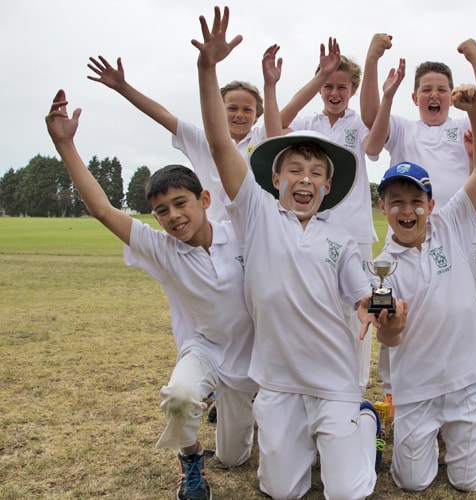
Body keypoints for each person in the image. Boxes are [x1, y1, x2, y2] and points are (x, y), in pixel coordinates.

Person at [192, 7, 407, 499]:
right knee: (281, 492)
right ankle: (312, 444)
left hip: (334, 383)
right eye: (294, 168)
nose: (305, 178)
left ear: (329, 186)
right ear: (274, 179)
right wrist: (208, 69)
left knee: (346, 493)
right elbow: (221, 143)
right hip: (279, 386)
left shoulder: (340, 238)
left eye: (316, 171)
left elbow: (364, 295)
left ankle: (360, 420)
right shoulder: (258, 214)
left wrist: (385, 316)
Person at [45, 89, 260, 500]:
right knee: (179, 399)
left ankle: (240, 419)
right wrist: (66, 145)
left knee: (234, 458)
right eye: (162, 211)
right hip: (205, 348)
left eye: (181, 203)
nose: (174, 216)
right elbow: (103, 210)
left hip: (253, 356)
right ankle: (191, 460)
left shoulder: (240, 231)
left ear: (204, 199)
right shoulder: (161, 249)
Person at [372, 82, 476, 492]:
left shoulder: (453, 224)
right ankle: (375, 417)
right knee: (413, 483)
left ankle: (475, 419)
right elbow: (388, 337)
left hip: (466, 377)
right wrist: (390, 329)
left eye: (415, 201)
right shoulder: (379, 268)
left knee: (469, 483)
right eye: (396, 201)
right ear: (383, 207)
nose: (406, 210)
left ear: (430, 203)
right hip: (416, 386)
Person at [275, 40, 378, 394]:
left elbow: (377, 141)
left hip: (356, 230)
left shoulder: (361, 122)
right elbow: (279, 122)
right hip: (311, 229)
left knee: (360, 308)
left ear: (353, 90)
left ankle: (356, 390)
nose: (335, 93)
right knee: (314, 305)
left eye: (342, 86)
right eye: (328, 85)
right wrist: (318, 74)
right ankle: (314, 382)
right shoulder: (308, 121)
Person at [87, 55, 266, 222]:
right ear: (218, 110)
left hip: (256, 231)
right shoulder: (201, 140)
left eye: (247, 110)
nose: (239, 115)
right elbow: (163, 115)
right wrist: (122, 87)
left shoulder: (263, 138)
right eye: (232, 108)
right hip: (215, 235)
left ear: (257, 115)